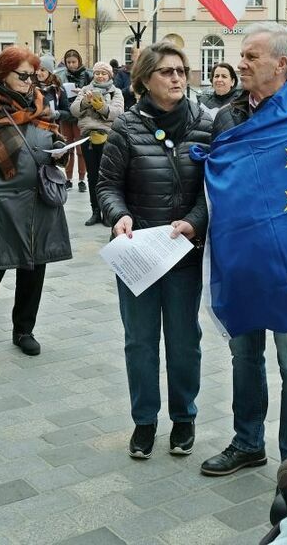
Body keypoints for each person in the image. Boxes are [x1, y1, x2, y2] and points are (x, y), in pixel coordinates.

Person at [200, 22, 287, 478]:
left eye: (251, 56)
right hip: (242, 260)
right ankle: (247, 442)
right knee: (244, 355)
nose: (240, 63)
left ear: (280, 64)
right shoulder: (230, 115)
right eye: (241, 55)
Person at [98, 41, 213, 459]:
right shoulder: (126, 127)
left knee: (184, 341)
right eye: (167, 72)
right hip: (138, 252)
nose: (178, 78)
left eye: (181, 70)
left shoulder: (206, 122)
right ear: (145, 79)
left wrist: (195, 222)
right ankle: (144, 422)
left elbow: (214, 188)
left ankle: (184, 418)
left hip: (183, 250)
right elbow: (107, 185)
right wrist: (118, 216)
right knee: (140, 341)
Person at [0, 47, 71, 357]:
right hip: (1, 200)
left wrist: (60, 148)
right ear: (1, 75)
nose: (29, 81)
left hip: (39, 199)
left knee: (34, 267)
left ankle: (24, 330)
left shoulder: (40, 104)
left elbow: (53, 135)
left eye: (33, 76)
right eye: (22, 75)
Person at [70, 61, 125, 226]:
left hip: (108, 138)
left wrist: (102, 107)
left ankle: (108, 212)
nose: (100, 76)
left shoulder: (116, 92)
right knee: (92, 176)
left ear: (110, 75)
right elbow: (74, 110)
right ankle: (95, 211)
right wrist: (86, 102)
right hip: (88, 139)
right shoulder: (85, 90)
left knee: (107, 177)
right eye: (97, 73)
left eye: (103, 73)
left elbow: (118, 113)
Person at [56, 48, 92, 192]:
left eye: (73, 62)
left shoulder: (87, 75)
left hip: (81, 114)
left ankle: (82, 179)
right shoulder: (60, 75)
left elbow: (93, 91)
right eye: (68, 62)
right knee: (68, 148)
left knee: (81, 150)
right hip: (66, 115)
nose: (71, 65)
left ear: (79, 61)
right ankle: (68, 179)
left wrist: (82, 91)